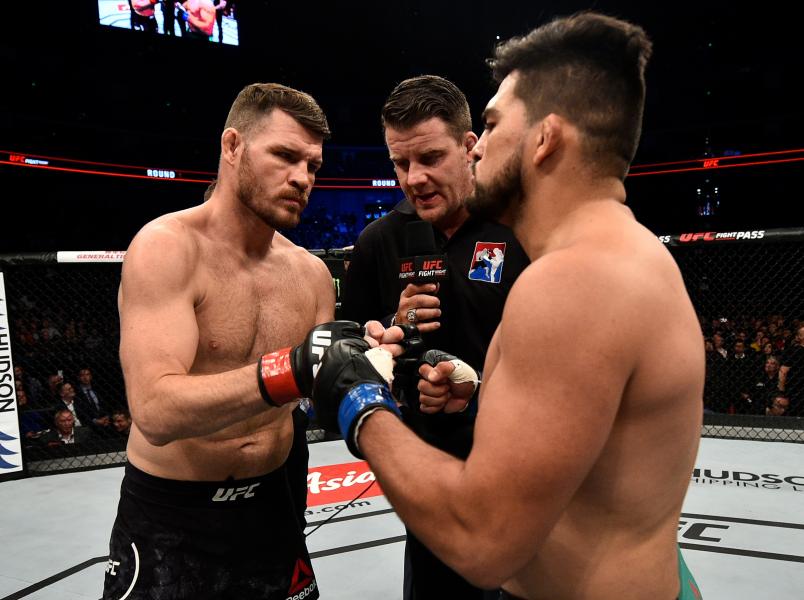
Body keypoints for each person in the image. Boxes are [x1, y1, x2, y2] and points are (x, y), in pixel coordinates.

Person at [314, 12, 704, 600]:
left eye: (492, 125)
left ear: (544, 139)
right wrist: (474, 388)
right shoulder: (626, 256)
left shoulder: (574, 281)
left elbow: (482, 540)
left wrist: (357, 400)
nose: (480, 148)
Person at [103, 82, 354, 600]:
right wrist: (288, 369)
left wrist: (368, 360)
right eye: (285, 156)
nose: (302, 178)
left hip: (273, 506)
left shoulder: (310, 274)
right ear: (233, 146)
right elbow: (154, 410)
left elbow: (319, 391)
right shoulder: (167, 248)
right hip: (173, 517)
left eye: (313, 166)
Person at [340, 74, 528, 599]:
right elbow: (352, 356)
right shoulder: (379, 241)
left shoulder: (521, 227)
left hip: (523, 463)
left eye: (429, 159)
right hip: (432, 477)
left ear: (470, 147)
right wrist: (390, 338)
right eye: (400, 163)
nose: (413, 178)